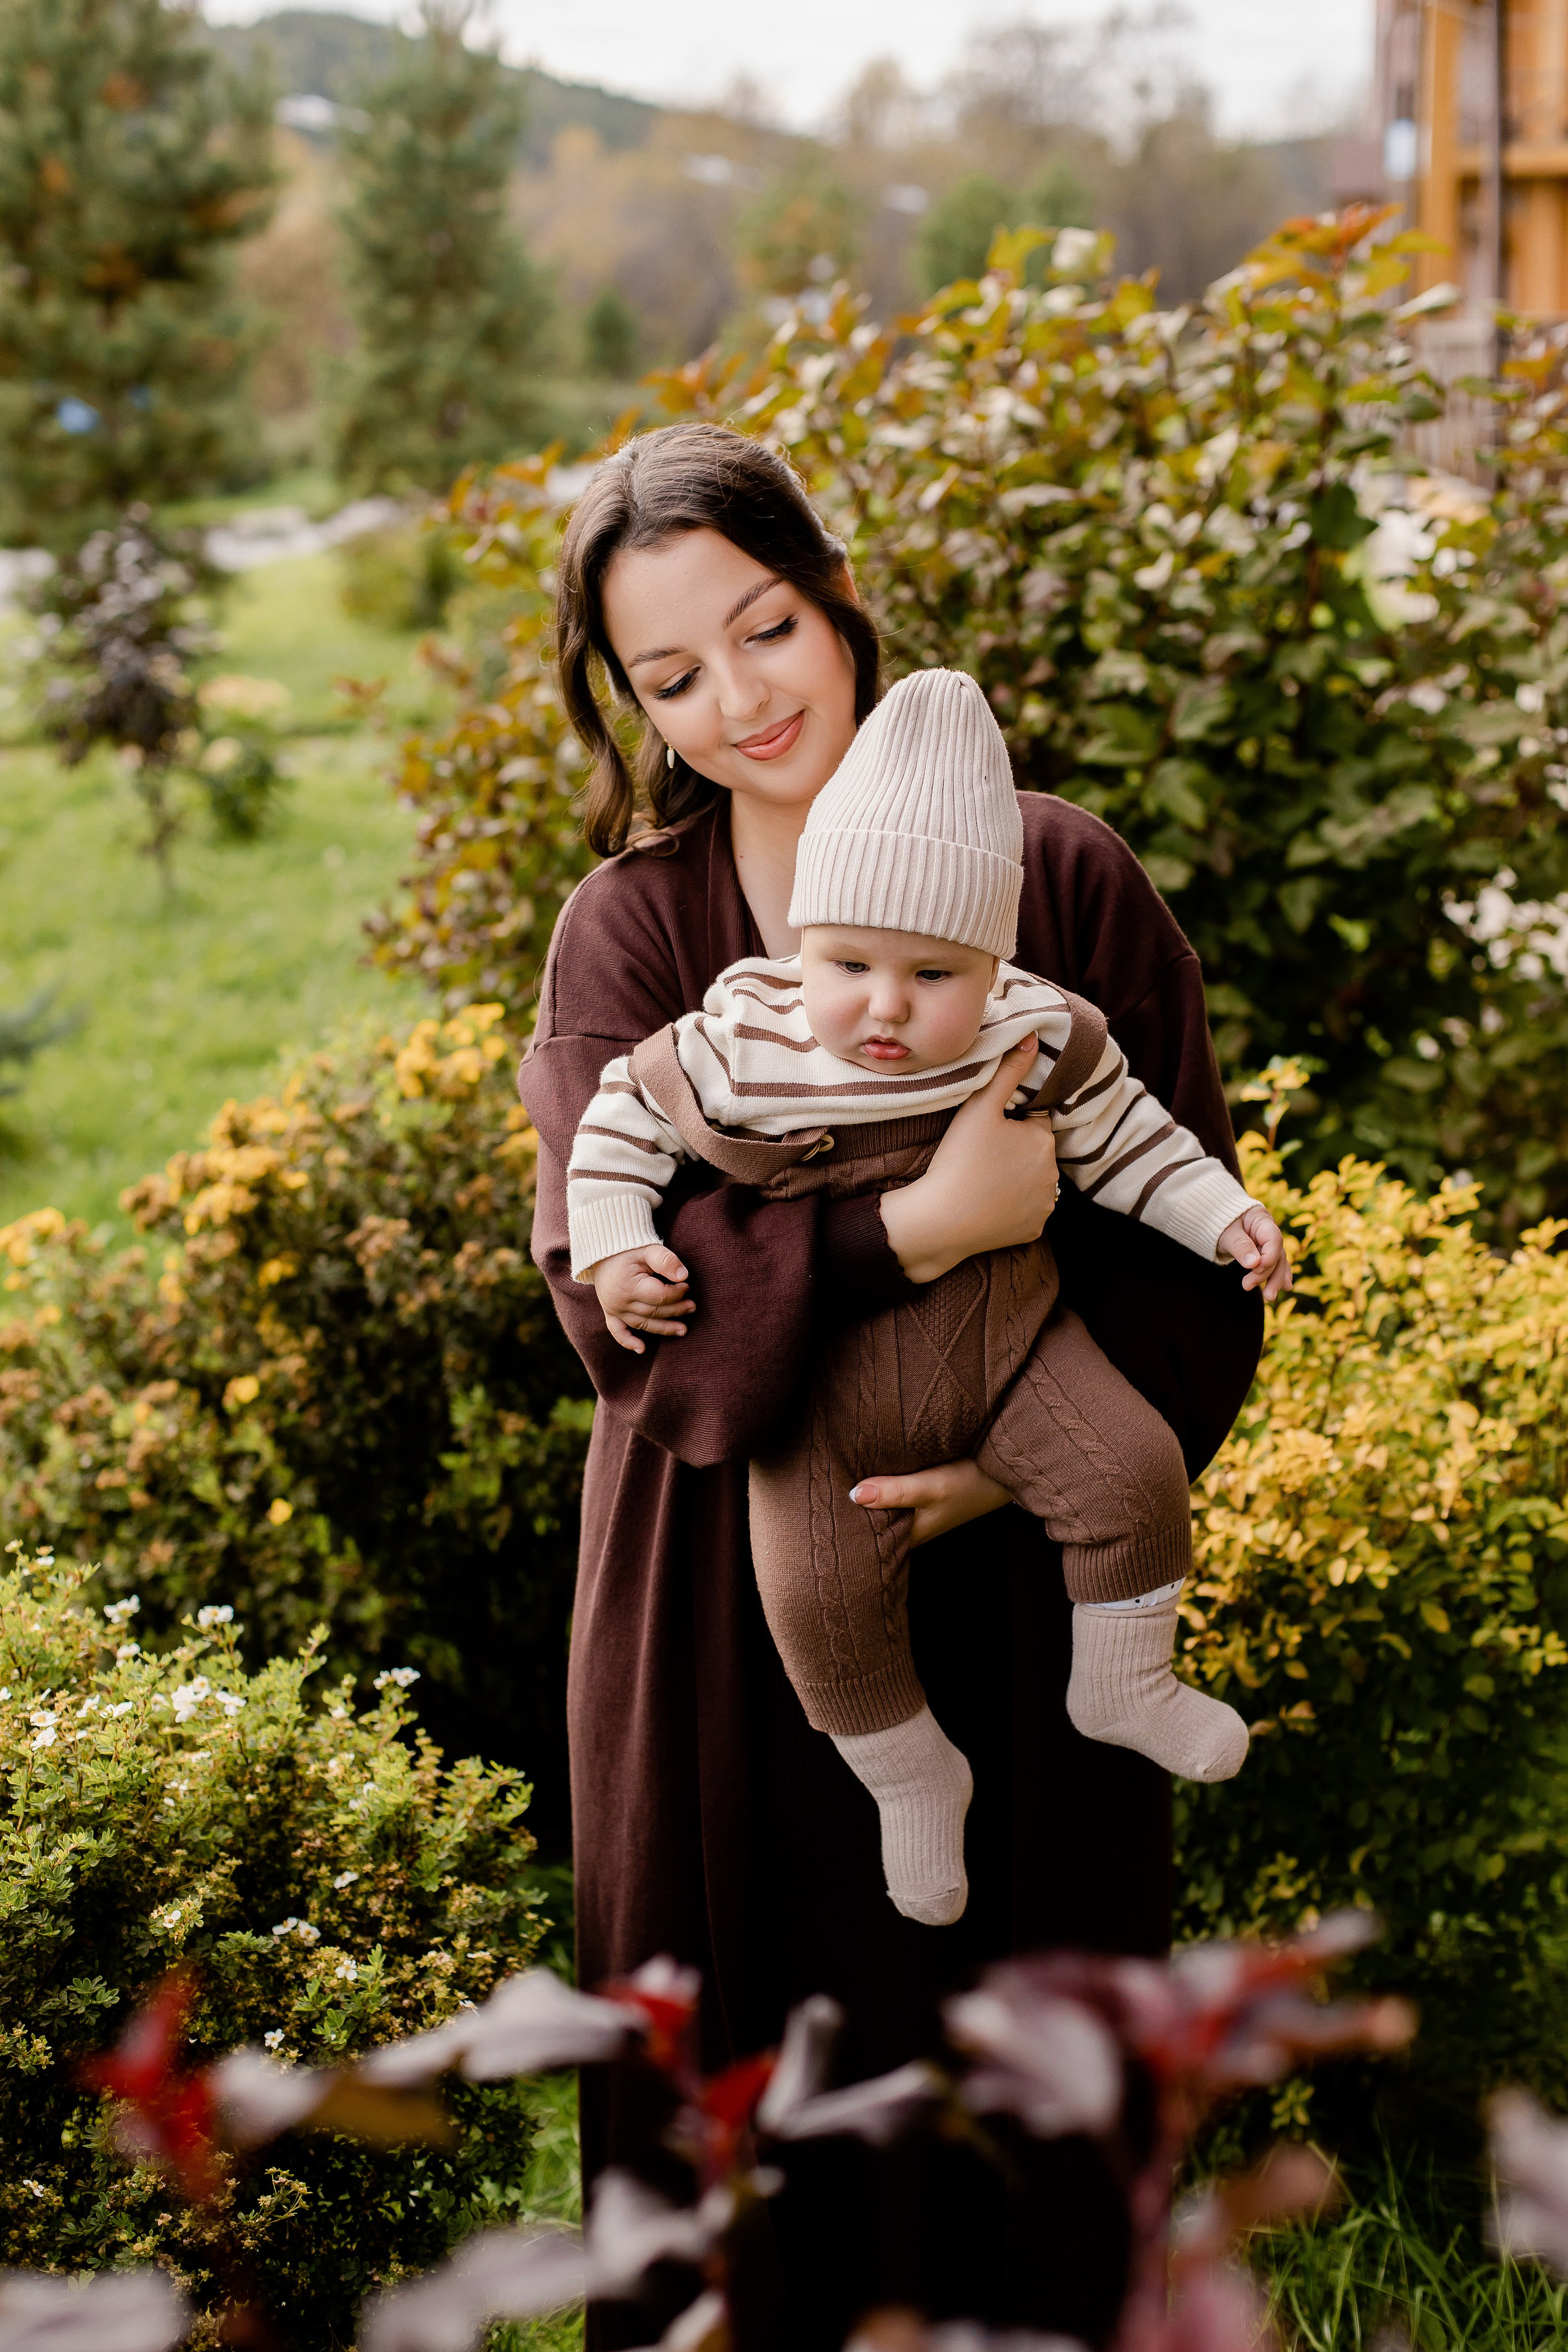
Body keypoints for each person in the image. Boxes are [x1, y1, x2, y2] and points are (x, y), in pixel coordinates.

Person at [518, 420, 1264, 2350]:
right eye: (671, 677)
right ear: (630, 701)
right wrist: (920, 1233)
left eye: (765, 628)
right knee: (751, 2118)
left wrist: (1018, 1473)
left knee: (1020, 2103)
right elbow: (618, 1313)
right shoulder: (634, 936)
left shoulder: (1063, 883)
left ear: (836, 594)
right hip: (717, 1609)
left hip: (1027, 1606)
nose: (742, 699)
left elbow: (1186, 1242)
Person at [565, 666, 1289, 1931]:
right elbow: (617, 1123)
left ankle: (1124, 1677)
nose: (886, 1009)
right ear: (800, 945)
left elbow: (1136, 1143)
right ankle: (909, 1777)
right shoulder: (743, 1035)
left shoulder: (1036, 1028)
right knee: (815, 1600)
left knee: (1127, 1474)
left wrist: (1222, 1213)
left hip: (1009, 1344)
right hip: (818, 1400)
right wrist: (616, 1239)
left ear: (992, 962)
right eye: (848, 962)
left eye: (932, 976)